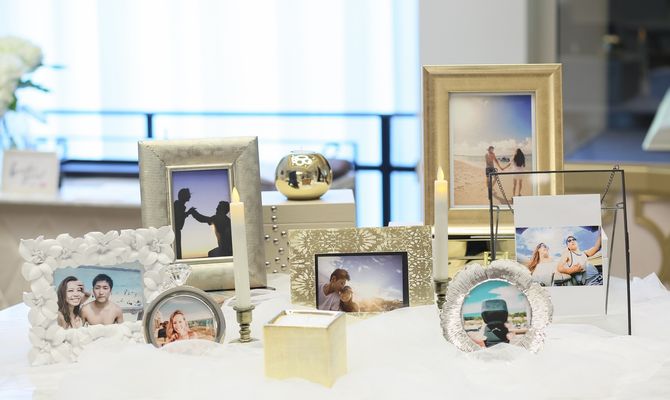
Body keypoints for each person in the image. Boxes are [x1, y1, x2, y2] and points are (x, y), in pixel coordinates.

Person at [173, 188, 196, 259]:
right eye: (188, 195)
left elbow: (180, 216)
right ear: (184, 196)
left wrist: (188, 212)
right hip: (175, 232)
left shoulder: (179, 205)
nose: (190, 196)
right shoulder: (178, 205)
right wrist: (188, 212)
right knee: (176, 253)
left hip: (176, 231)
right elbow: (178, 220)